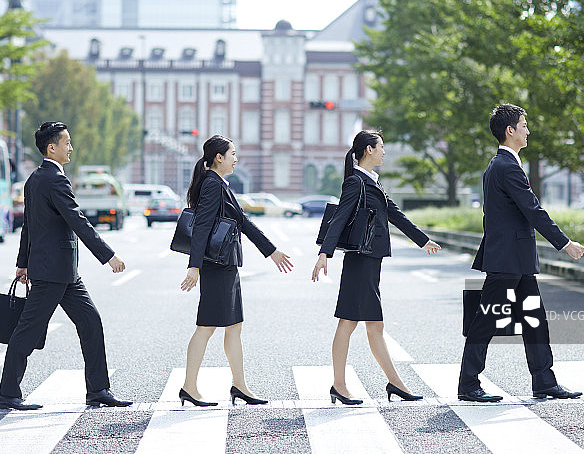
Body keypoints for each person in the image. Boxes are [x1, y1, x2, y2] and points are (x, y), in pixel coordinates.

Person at [0, 122, 131, 411]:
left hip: (63, 273)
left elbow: (28, 228)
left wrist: (22, 263)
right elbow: (77, 220)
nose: (71, 148)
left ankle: (98, 390)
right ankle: (8, 394)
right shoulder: (55, 180)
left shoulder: (34, 179)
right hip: (52, 274)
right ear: (51, 148)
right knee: (27, 331)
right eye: (66, 143)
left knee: (91, 323)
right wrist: (108, 255)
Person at [458, 104, 584, 403]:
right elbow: (533, 211)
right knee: (487, 320)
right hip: (507, 261)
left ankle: (544, 382)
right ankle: (468, 384)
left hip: (515, 259)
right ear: (510, 130)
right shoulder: (506, 166)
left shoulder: (500, 165)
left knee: (534, 320)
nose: (528, 130)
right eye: (524, 125)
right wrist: (565, 243)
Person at [312, 130, 441, 405]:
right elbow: (339, 219)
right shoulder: (356, 182)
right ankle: (341, 385)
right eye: (381, 146)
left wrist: (423, 240)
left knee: (374, 325)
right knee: (350, 323)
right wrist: (325, 253)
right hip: (360, 261)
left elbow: (395, 214)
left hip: (370, 261)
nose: (384, 152)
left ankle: (395, 383)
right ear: (369, 150)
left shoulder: (372, 181)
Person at [179, 135, 293, 407]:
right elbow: (203, 226)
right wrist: (194, 266)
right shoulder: (211, 185)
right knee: (206, 327)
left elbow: (244, 222)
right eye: (232, 153)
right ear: (219, 157)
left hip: (226, 266)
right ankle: (189, 387)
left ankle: (239, 386)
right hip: (216, 267)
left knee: (234, 327)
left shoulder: (219, 184)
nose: (236, 158)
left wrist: (272, 251)